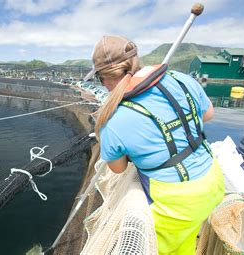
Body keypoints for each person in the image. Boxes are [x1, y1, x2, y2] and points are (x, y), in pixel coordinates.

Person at [85, 35, 225, 255]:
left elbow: (118, 168)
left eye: (99, 79)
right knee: (186, 243)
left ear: (104, 77)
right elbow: (208, 114)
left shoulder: (111, 120)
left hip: (174, 204)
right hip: (213, 181)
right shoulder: (180, 79)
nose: (102, 85)